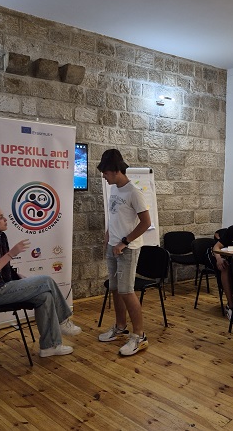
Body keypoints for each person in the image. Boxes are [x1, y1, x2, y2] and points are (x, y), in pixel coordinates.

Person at [0, 204, 81, 358]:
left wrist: (18, 277)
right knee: (46, 280)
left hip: (5, 287)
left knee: (45, 296)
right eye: (1, 218)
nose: (5, 219)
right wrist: (11, 254)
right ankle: (63, 320)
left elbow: (3, 269)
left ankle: (50, 346)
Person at [97, 149, 152, 356]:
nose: (104, 176)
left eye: (105, 173)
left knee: (127, 291)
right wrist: (108, 234)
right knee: (115, 289)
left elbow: (145, 223)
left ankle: (139, 336)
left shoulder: (133, 193)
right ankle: (120, 327)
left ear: (115, 170)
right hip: (113, 246)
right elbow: (115, 216)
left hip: (127, 249)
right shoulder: (114, 189)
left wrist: (124, 242)